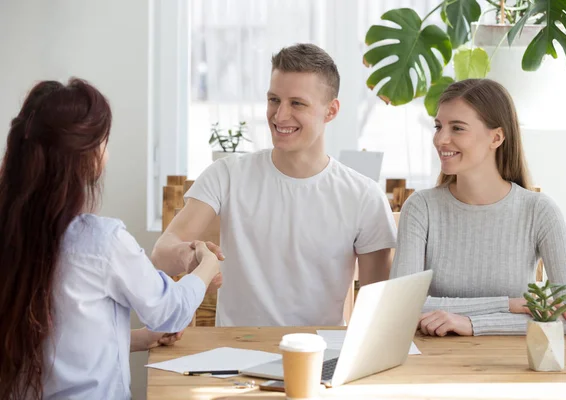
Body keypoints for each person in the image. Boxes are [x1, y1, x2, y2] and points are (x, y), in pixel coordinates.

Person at [0, 79, 221, 400]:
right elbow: (171, 310)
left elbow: (51, 339)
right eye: (104, 141)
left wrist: (138, 339)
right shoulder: (101, 242)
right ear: (87, 157)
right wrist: (205, 266)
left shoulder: (10, 231)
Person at [152, 43, 397, 327]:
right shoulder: (227, 175)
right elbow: (161, 254)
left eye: (297, 103)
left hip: (317, 358)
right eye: (273, 100)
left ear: (331, 111)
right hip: (235, 358)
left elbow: (376, 314)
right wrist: (190, 257)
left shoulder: (364, 196)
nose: (279, 116)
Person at [391, 79, 566, 336]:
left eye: (457, 128)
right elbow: (399, 306)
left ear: (496, 137)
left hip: (515, 365)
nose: (441, 139)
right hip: (436, 362)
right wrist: (507, 305)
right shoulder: (421, 207)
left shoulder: (539, 211)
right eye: (438, 127)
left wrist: (472, 324)